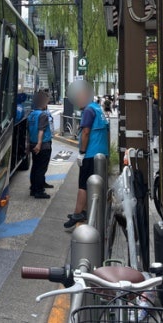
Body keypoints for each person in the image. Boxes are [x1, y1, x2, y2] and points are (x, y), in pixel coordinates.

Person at [64, 79, 109, 229]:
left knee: (83, 184)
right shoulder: (97, 108)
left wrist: (82, 153)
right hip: (102, 153)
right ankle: (84, 211)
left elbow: (85, 132)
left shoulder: (89, 111)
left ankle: (78, 213)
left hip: (90, 154)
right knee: (92, 184)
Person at [28, 91, 53, 199]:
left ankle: (34, 188)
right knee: (41, 169)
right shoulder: (43, 115)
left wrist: (30, 144)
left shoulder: (31, 114)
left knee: (35, 167)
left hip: (33, 144)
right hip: (43, 145)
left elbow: (28, 131)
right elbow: (41, 130)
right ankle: (39, 191)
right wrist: (39, 144)